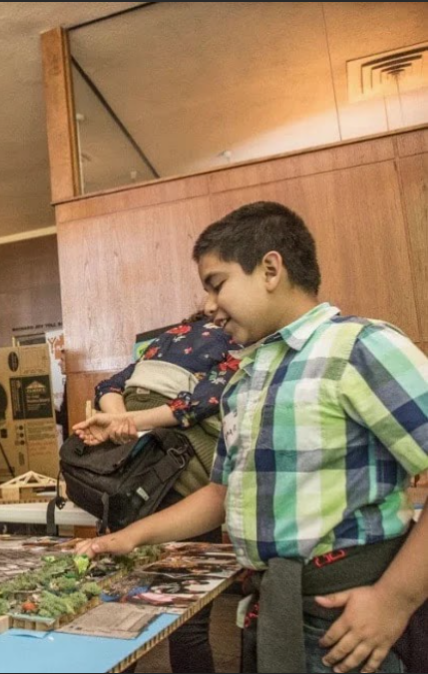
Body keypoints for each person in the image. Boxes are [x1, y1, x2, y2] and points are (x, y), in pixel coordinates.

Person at [78, 202, 428, 674]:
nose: (207, 306)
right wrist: (128, 539)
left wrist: (394, 600)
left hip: (351, 615)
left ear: (269, 268)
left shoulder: (359, 348)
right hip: (274, 608)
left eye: (217, 283)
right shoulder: (245, 377)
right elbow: (222, 494)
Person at [71, 311, 238, 674]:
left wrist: (121, 422)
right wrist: (134, 422)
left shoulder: (157, 345)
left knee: (118, 610)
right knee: (188, 623)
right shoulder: (232, 337)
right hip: (184, 485)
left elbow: (108, 387)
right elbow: (200, 403)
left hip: (131, 484)